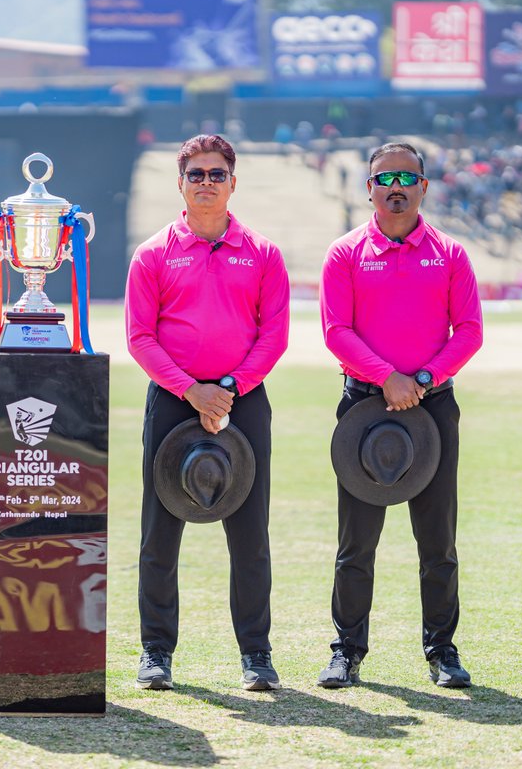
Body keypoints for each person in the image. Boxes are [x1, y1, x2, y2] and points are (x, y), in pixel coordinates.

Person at [125, 134, 291, 691]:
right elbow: (140, 338)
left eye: (216, 173)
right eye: (195, 174)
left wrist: (227, 390)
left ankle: (256, 655)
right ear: (180, 183)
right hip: (174, 402)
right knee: (159, 532)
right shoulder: (153, 253)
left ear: (232, 182)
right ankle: (155, 652)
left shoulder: (264, 253)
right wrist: (192, 392)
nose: (205, 182)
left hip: (243, 402)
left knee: (249, 534)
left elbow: (274, 336)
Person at [318, 142, 483, 689]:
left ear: (423, 187)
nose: (395, 186)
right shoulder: (345, 253)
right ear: (368, 187)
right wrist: (388, 378)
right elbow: (336, 331)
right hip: (364, 407)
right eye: (384, 177)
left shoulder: (451, 254)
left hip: (433, 408)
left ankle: (442, 651)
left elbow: (471, 332)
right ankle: (347, 651)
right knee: (356, 543)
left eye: (406, 178)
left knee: (437, 541)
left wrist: (423, 380)